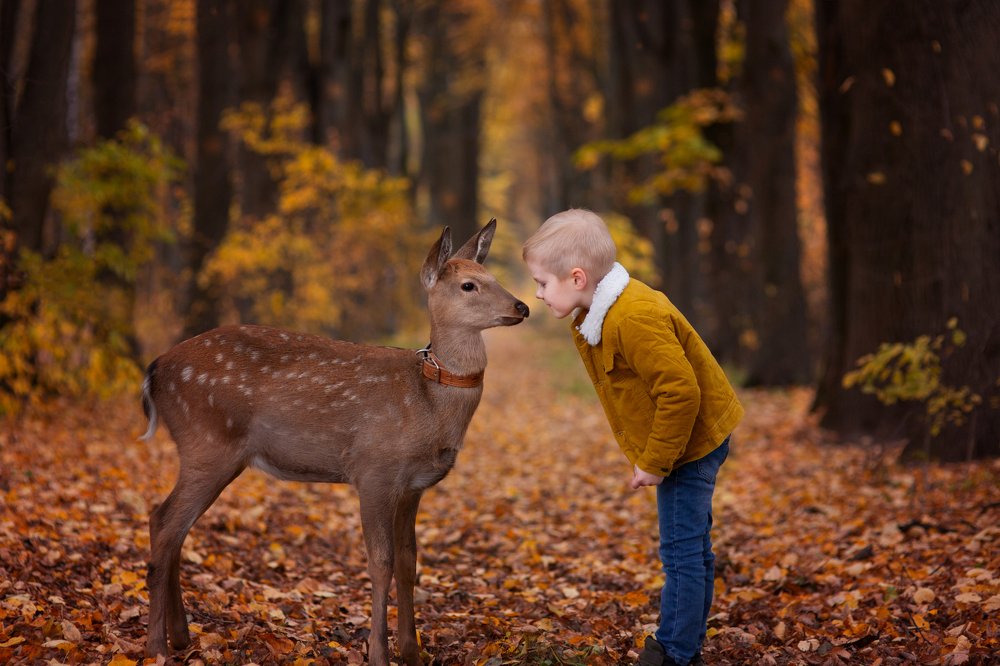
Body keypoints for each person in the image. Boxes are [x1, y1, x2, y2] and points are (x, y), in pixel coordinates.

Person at [522, 209, 744, 666]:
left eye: (543, 283)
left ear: (577, 277)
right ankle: (686, 645)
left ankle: (674, 654)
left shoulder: (633, 317)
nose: (539, 293)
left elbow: (681, 392)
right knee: (693, 548)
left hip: (688, 446)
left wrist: (655, 462)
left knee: (681, 552)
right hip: (685, 441)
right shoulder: (605, 313)